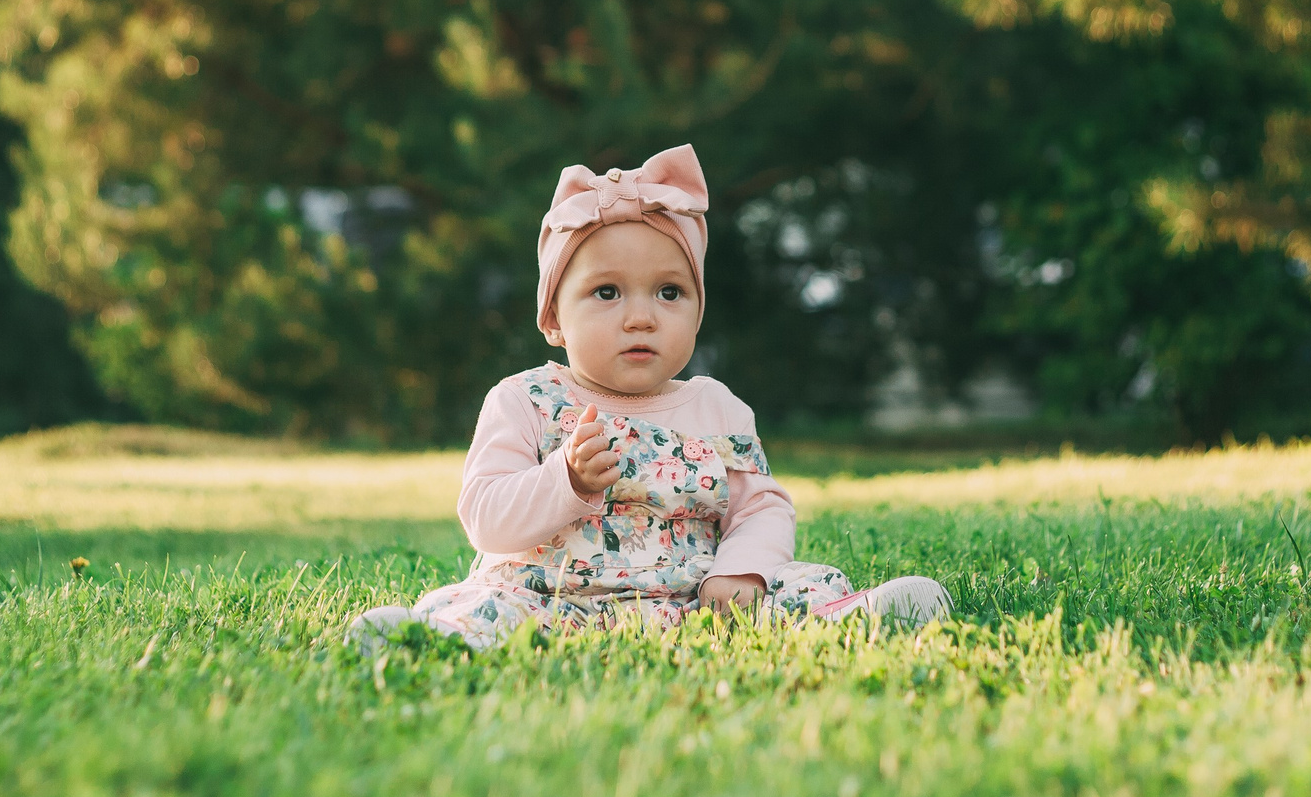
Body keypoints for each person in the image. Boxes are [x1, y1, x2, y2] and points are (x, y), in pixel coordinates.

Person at [352, 144, 949, 651]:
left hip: (693, 599)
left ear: (697, 312)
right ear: (554, 318)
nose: (641, 317)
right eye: (607, 292)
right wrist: (567, 480)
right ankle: (425, 638)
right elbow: (485, 518)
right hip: (552, 596)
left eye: (669, 292)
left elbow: (761, 509)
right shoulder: (527, 400)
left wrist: (739, 571)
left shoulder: (717, 408)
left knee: (791, 588)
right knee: (494, 611)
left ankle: (860, 616)